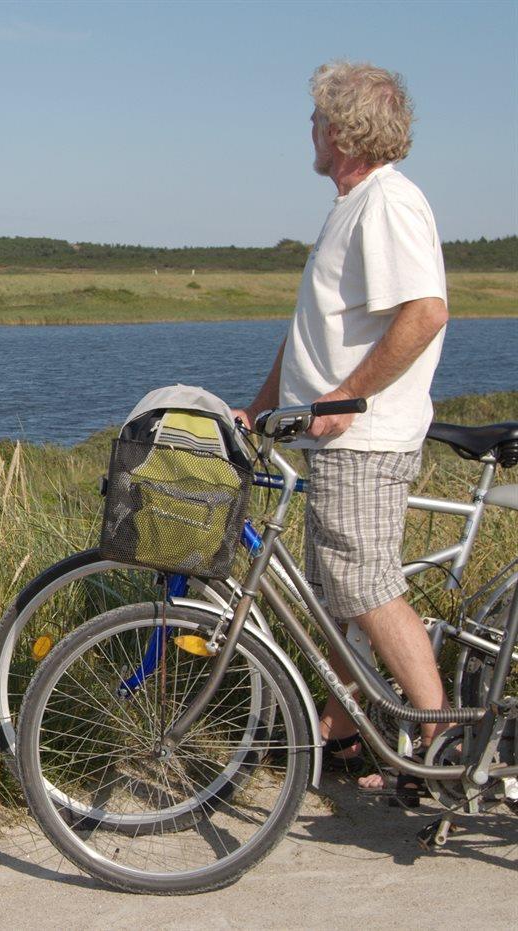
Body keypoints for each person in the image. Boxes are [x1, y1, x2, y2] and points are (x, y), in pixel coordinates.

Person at [235, 60, 450, 794]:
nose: (310, 128)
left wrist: (344, 399)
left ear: (344, 130)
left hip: (364, 438)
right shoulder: (352, 206)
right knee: (336, 595)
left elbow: (426, 313)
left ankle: (438, 737)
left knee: (365, 585)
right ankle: (342, 727)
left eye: (318, 117)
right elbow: (313, 330)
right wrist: (263, 403)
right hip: (333, 439)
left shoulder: (389, 203)